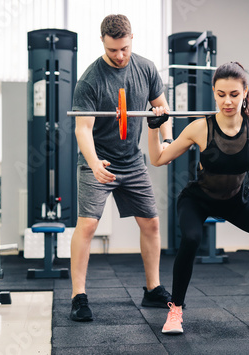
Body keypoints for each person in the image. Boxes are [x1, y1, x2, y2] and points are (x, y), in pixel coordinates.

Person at [147, 61, 249, 334]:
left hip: (237, 202)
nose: (227, 101)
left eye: (234, 94)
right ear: (214, 93)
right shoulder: (199, 128)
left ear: (245, 92)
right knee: (192, 239)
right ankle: (175, 311)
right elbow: (158, 159)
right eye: (221, 94)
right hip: (198, 199)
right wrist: (153, 128)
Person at [69, 14, 173, 322]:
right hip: (97, 160)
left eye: (124, 48)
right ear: (102, 40)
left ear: (131, 39)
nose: (120, 55)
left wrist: (166, 138)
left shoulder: (146, 68)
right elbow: (82, 130)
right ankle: (78, 296)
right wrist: (92, 162)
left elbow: (162, 110)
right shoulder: (90, 79)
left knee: (151, 224)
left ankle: (153, 289)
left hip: (132, 161)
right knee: (87, 225)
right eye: (114, 49)